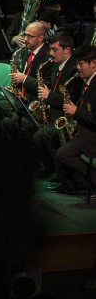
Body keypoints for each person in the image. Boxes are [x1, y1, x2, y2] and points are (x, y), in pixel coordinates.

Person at [51, 45, 96, 200]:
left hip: (92, 134)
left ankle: (93, 179)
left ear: (93, 63)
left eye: (81, 64)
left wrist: (75, 112)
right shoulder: (89, 80)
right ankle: (72, 181)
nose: (77, 68)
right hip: (84, 127)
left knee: (63, 154)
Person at [35, 32, 77, 180]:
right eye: (50, 49)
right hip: (52, 111)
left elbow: (73, 100)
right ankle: (48, 167)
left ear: (67, 50)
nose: (50, 53)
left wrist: (49, 96)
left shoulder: (74, 69)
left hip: (65, 116)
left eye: (54, 50)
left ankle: (59, 172)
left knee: (41, 136)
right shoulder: (56, 65)